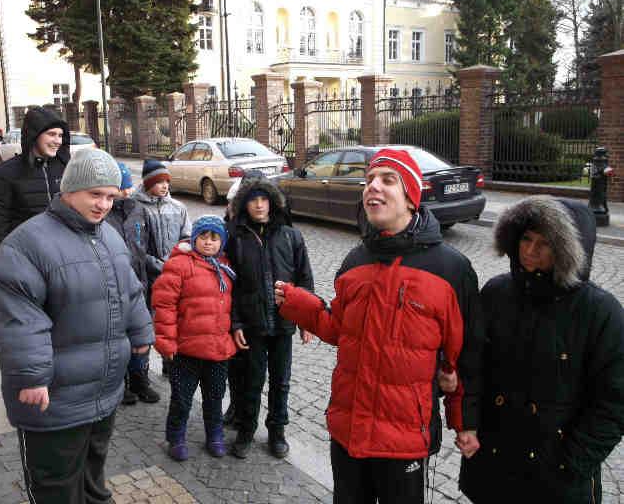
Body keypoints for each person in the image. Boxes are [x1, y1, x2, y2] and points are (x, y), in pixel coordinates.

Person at [275, 148, 484, 503]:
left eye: (388, 180)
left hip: (403, 440)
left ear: (411, 198)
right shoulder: (354, 261)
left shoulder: (451, 269)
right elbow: (340, 330)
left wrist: (464, 422)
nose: (373, 186)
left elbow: (466, 355)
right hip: (347, 431)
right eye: (369, 179)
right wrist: (302, 307)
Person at [0, 148, 154, 503]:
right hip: (55, 400)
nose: (104, 205)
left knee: (93, 473)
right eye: (95, 194)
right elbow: (19, 318)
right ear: (69, 190)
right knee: (57, 486)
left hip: (102, 390)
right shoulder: (26, 244)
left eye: (110, 196)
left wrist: (141, 332)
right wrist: (32, 377)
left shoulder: (108, 236)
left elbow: (130, 289)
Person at [458, 195, 624, 504]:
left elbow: (613, 403)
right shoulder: (496, 293)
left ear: (566, 251)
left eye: (544, 244)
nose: (530, 251)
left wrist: (572, 462)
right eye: (526, 239)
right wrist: (467, 422)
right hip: (493, 463)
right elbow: (472, 365)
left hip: (556, 476)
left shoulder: (602, 312)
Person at [226, 175, 314, 459]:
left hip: (284, 323)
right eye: (253, 200)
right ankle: (246, 429)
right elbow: (231, 287)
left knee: (281, 380)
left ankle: (277, 431)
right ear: (245, 205)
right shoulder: (236, 238)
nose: (259, 206)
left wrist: (307, 320)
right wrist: (236, 322)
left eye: (264, 200)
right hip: (252, 324)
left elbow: (304, 280)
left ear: (273, 203)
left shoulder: (291, 236)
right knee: (251, 379)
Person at [152, 215, 237, 461]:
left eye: (214, 237)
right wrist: (166, 342)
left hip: (218, 350)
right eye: (203, 236)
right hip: (186, 351)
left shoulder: (226, 267)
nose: (208, 243)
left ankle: (215, 435)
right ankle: (176, 437)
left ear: (222, 241)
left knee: (215, 398)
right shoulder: (179, 265)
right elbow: (164, 305)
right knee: (181, 399)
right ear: (194, 237)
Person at [106, 162, 161, 405]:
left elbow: (148, 245)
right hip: (114, 285)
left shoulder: (138, 210)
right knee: (119, 337)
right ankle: (122, 384)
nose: (127, 192)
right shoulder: (103, 215)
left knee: (141, 336)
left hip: (140, 283)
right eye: (121, 188)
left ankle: (141, 381)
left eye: (128, 187)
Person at [0, 106, 70, 262]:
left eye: (60, 135)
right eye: (51, 134)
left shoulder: (68, 168)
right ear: (34, 135)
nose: (57, 141)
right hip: (26, 258)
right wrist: (0, 266)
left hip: (64, 257)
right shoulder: (5, 173)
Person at [134, 159, 192, 376]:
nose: (164, 186)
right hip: (149, 277)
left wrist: (178, 261)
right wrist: (158, 264)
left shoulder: (178, 207)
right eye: (159, 182)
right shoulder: (136, 207)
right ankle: (142, 371)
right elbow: (136, 246)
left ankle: (171, 363)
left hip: (174, 275)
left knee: (173, 320)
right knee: (147, 322)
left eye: (167, 181)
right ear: (148, 183)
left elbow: (187, 237)